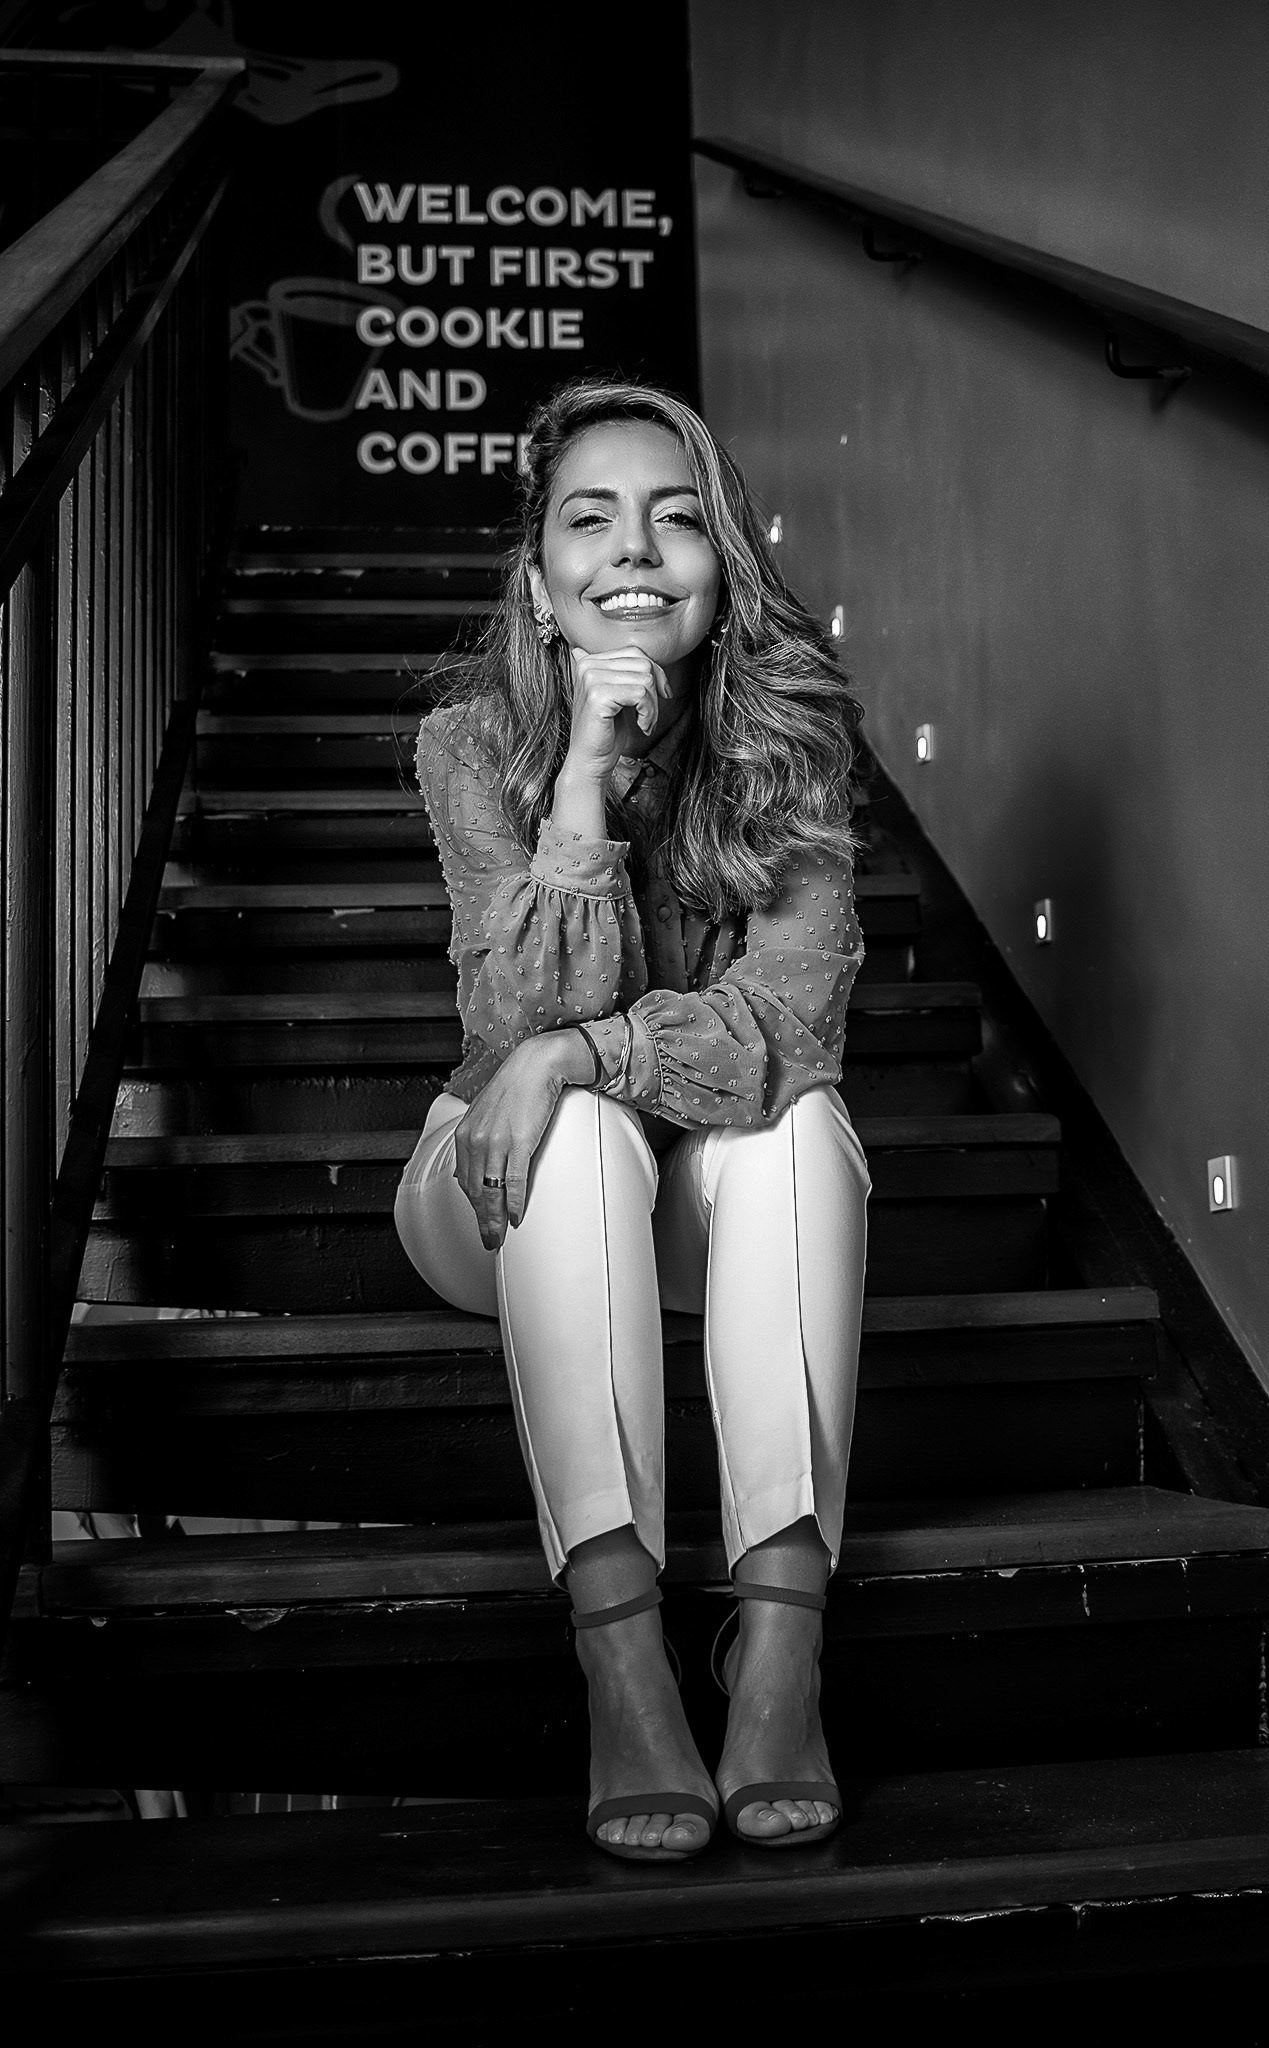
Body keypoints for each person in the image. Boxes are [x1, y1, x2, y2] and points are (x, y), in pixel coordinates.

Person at [395, 378, 870, 1863]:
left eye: (677, 519)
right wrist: (589, 778)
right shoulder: (471, 745)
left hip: (701, 1197)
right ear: (539, 584)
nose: (635, 553)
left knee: (798, 1128)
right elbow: (513, 1033)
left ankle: (779, 1650)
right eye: (589, 521)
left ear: (723, 568)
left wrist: (581, 1051)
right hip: (493, 1180)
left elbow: (787, 1030)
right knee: (577, 1130)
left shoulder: (794, 747)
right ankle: (624, 1661)